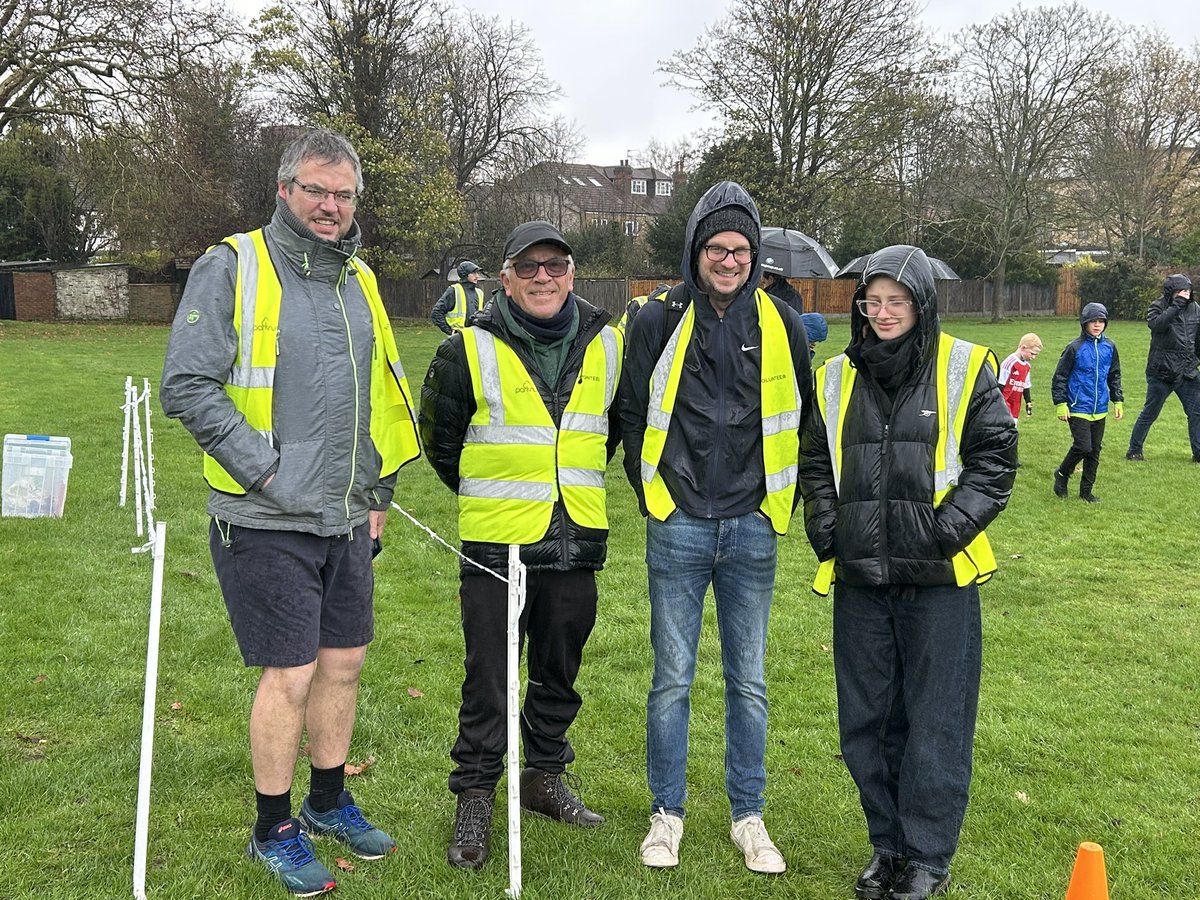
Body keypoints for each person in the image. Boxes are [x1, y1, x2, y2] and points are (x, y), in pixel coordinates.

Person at [161, 128, 421, 897]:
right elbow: (188, 385)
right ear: (285, 191)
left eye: (343, 194)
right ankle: (273, 826)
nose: (331, 206)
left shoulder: (360, 280)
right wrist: (266, 470)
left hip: (346, 516)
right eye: (316, 190)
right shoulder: (232, 265)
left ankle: (328, 799)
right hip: (265, 516)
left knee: (344, 663)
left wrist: (378, 496)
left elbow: (381, 398)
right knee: (293, 672)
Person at [797, 246, 1016, 900]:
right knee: (866, 724)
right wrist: (827, 529)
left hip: (939, 582)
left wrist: (943, 532)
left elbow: (995, 462)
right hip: (860, 577)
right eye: (873, 302)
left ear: (921, 304)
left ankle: (926, 857)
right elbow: (814, 463)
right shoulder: (833, 376)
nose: (884, 313)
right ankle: (886, 847)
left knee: (934, 723)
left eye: (897, 301)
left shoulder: (964, 365)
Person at [620, 181, 814, 874]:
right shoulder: (655, 319)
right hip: (677, 525)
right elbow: (630, 413)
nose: (728, 260)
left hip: (753, 528)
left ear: (754, 255)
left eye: (740, 250)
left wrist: (774, 504)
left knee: (749, 681)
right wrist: (653, 498)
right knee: (671, 679)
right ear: (695, 251)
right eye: (716, 248)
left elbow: (807, 419)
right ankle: (665, 814)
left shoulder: (783, 323)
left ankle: (748, 816)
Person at [420, 220, 621, 870]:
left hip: (575, 542)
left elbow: (607, 433)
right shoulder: (466, 350)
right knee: (488, 681)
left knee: (560, 673)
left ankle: (543, 778)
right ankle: (475, 800)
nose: (543, 277)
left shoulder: (606, 342)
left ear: (571, 274)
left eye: (555, 267)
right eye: (528, 267)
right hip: (495, 547)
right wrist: (497, 491)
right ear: (504, 278)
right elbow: (441, 442)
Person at [1052, 302, 1123, 502]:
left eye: (1101, 321)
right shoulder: (1074, 348)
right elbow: (1060, 376)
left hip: (1100, 407)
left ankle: (1086, 492)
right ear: (1084, 323)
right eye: (1093, 321)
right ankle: (1062, 473)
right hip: (1078, 406)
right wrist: (1061, 403)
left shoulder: (1110, 347)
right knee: (1084, 447)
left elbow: (1114, 375)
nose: (1097, 325)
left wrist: (1117, 400)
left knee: (1095, 451)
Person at [1125, 273, 1200, 462]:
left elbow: (1197, 339)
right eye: (1180, 291)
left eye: (1187, 291)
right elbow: (1156, 325)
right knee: (1151, 412)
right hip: (1162, 370)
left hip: (1187, 371)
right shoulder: (1158, 306)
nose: (1185, 294)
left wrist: (1196, 359)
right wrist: (1176, 306)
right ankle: (1134, 450)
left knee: (1196, 411)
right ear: (1171, 292)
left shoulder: (1196, 309)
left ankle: (1198, 453)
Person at [431, 260, 486, 334]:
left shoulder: (479, 293)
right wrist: (450, 331)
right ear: (465, 274)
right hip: (458, 339)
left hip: (475, 336)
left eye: (477, 273)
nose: (477, 276)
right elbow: (436, 313)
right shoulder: (454, 290)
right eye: (473, 273)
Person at [998, 333, 1042, 421]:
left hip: (1015, 404)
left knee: (1013, 428)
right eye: (1032, 354)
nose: (1033, 357)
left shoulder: (1027, 366)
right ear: (1023, 348)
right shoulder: (1010, 362)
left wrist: (1028, 402)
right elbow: (1000, 384)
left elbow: (1026, 385)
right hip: (1003, 403)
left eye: (1036, 355)